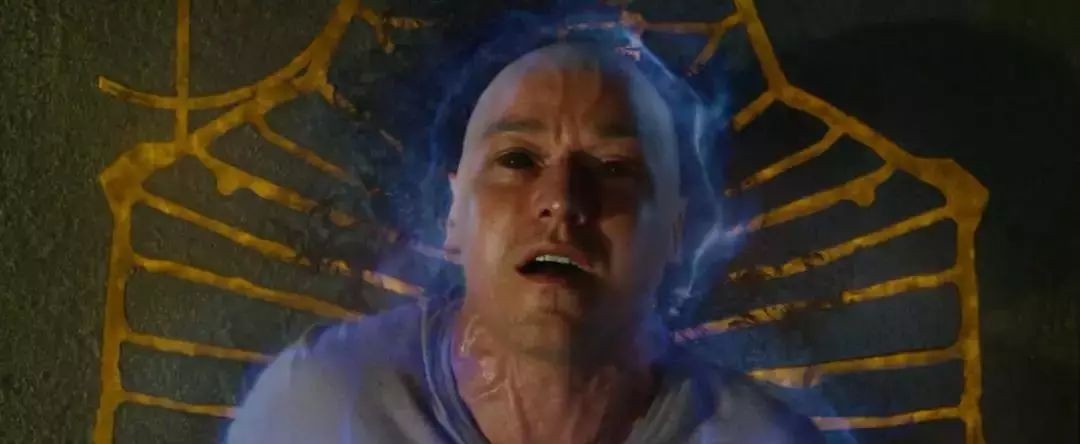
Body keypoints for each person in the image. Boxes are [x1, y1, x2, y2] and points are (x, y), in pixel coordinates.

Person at [227, 38, 822, 444]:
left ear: (676, 232)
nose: (562, 199)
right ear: (454, 215)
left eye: (613, 167)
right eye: (517, 159)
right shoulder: (320, 406)